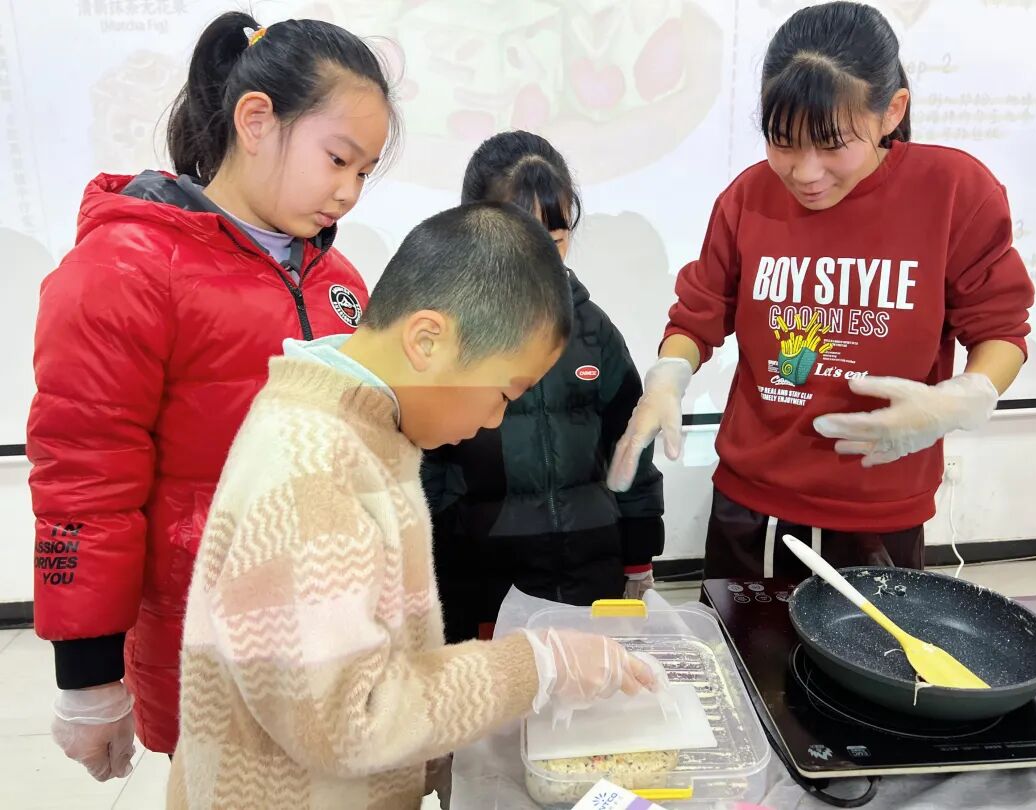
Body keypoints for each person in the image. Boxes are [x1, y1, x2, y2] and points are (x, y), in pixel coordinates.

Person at [166, 202, 658, 810]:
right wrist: (535, 665)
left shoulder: (368, 428)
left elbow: (368, 652)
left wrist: (433, 748)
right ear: (427, 340)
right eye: (505, 393)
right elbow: (349, 721)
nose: (495, 420)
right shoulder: (310, 466)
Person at [27, 11, 398, 778]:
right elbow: (86, 480)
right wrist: (88, 678)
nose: (349, 192)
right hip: (212, 645)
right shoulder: (126, 267)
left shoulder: (338, 281)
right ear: (255, 121)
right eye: (337, 160)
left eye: (364, 172)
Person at [607, 2, 1034, 579]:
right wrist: (668, 375)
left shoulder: (954, 193)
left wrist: (964, 396)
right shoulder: (748, 197)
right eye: (782, 141)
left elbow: (1000, 329)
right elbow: (698, 314)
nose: (805, 172)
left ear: (891, 112)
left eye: (833, 144)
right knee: (743, 638)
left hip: (879, 510)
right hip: (752, 504)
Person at [422, 131, 665, 644]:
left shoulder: (592, 331)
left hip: (590, 578)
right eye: (521, 241)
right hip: (486, 585)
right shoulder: (446, 336)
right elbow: (427, 474)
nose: (541, 260)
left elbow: (631, 446)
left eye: (554, 242)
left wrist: (639, 557)